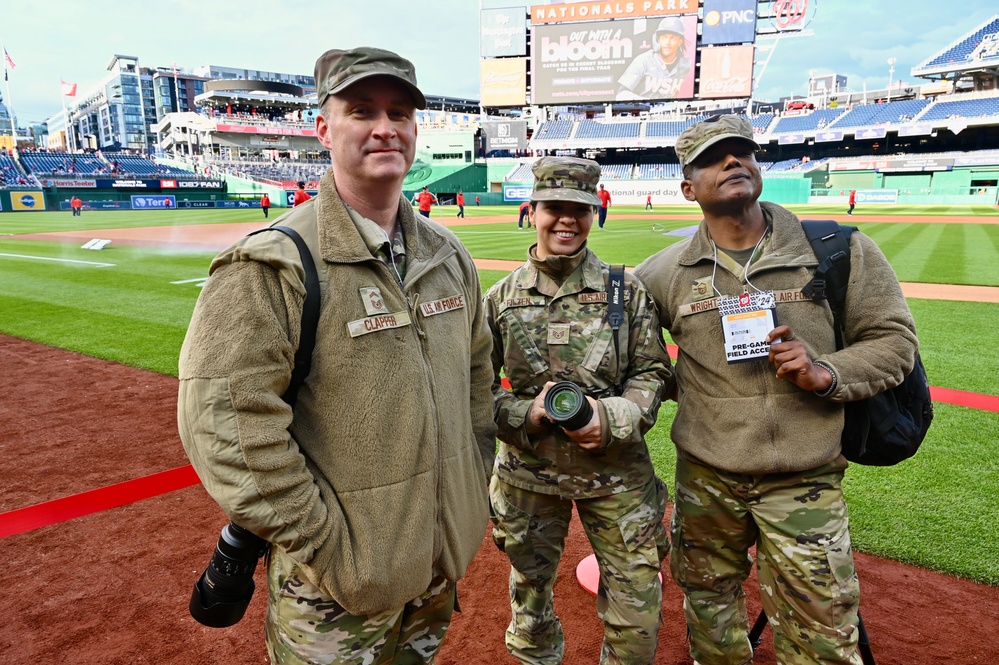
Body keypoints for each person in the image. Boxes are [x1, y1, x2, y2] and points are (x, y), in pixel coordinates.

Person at [177, 47, 497, 665]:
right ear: (323, 128)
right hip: (333, 594)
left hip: (434, 567)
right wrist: (326, 544)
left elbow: (476, 381)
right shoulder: (272, 264)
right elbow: (224, 425)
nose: (385, 127)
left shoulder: (447, 256)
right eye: (361, 110)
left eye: (399, 112)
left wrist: (468, 483)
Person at [634, 115, 918, 665]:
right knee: (710, 609)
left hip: (804, 476)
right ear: (687, 187)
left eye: (742, 152)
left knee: (823, 632)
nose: (734, 162)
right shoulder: (664, 273)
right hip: (707, 477)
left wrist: (826, 373)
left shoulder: (836, 250)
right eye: (713, 159)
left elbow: (893, 342)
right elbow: (638, 363)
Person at [485, 156, 674, 665]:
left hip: (615, 473)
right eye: (554, 208)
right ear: (532, 211)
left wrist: (609, 419)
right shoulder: (501, 299)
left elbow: (653, 373)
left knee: (637, 607)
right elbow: (475, 389)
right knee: (530, 602)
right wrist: (527, 416)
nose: (567, 219)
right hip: (528, 478)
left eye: (581, 209)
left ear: (595, 214)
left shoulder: (624, 289)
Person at [617, 17, 691, 100]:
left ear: (680, 41)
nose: (667, 42)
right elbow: (621, 94)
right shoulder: (643, 60)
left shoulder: (687, 64)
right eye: (664, 37)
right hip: (643, 110)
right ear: (657, 39)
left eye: (672, 38)